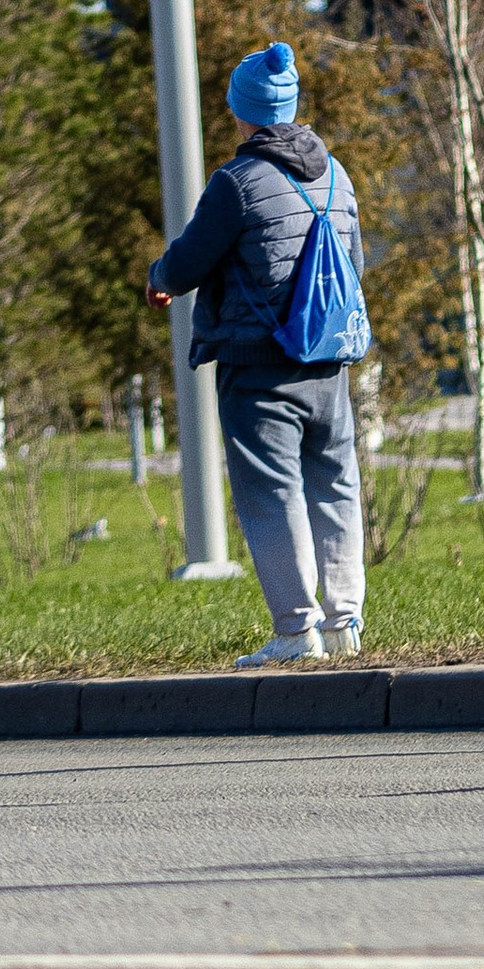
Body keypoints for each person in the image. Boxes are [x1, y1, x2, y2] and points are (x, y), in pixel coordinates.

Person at [145, 38, 368, 670]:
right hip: (327, 357)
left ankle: (297, 633)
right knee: (334, 484)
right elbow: (352, 265)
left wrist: (159, 277)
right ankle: (345, 621)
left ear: (241, 112)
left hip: (258, 365)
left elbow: (187, 263)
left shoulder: (238, 182)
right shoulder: (335, 174)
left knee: (272, 492)